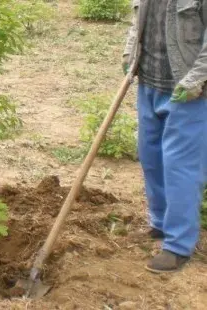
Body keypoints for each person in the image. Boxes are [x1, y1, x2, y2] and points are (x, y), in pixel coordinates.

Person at [122, 0, 207, 273]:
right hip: (148, 84)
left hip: (188, 92)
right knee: (151, 158)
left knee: (179, 167)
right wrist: (128, 56)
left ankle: (179, 245)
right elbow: (137, 25)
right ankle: (159, 223)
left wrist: (195, 80)